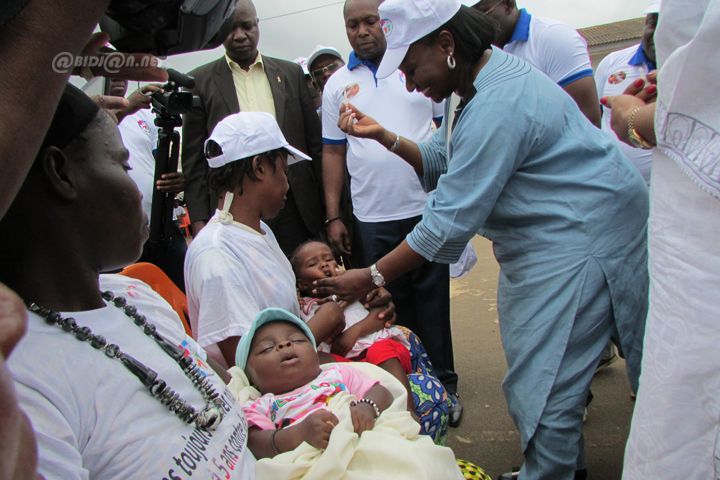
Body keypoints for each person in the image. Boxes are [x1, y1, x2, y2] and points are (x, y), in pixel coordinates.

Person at [313, 1, 649, 479]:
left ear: (446, 44)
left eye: (411, 68)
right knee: (543, 370)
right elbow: (438, 157)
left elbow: (446, 223)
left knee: (544, 379)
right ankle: (557, 465)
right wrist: (386, 136)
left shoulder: (497, 101)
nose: (408, 83)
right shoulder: (465, 87)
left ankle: (554, 472)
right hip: (555, 234)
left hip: (582, 233)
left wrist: (367, 275)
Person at [0, 84, 254, 479]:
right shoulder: (20, 384)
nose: (139, 192)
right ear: (60, 173)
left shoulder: (133, 293)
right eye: (123, 165)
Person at [322, 0, 463, 426]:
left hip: (424, 209)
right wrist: (334, 215)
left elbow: (448, 132)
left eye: (370, 21)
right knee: (388, 308)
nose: (362, 31)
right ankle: (408, 391)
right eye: (352, 25)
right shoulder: (337, 84)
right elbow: (332, 150)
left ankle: (444, 387)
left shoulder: (418, 68)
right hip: (372, 216)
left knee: (432, 305)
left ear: (387, 22)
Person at [601, 0, 720, 477]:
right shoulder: (615, 64)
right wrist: (673, 96)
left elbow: (701, 131)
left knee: (691, 404)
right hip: (670, 221)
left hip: (700, 241)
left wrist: (637, 117)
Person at [184, 111, 347, 370]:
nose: (287, 185)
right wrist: (322, 323)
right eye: (283, 171)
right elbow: (248, 367)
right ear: (259, 168)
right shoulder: (216, 256)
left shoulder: (258, 230)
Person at [233, 307, 465, 479]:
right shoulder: (261, 405)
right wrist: (298, 434)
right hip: (311, 462)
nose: (284, 345)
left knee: (412, 462)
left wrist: (367, 406)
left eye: (296, 340)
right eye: (266, 348)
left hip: (365, 439)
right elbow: (255, 442)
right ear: (251, 376)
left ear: (315, 354)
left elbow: (381, 390)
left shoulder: (336, 375)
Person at [182, 0, 325, 257]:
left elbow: (316, 146)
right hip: (235, 208)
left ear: (258, 25)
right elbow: (194, 160)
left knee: (302, 279)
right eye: (230, 29)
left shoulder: (290, 74)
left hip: (295, 203)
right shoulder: (199, 82)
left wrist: (332, 213)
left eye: (247, 26)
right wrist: (199, 219)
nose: (239, 36)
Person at [292, 240, 420, 415]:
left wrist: (355, 332)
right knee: (323, 362)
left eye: (328, 259)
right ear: (302, 284)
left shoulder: (353, 288)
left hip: (374, 348)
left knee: (381, 350)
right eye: (313, 264)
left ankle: (408, 411)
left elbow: (382, 314)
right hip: (348, 362)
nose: (324, 265)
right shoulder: (304, 307)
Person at [471, 0, 601, 127]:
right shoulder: (482, 54)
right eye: (471, 19)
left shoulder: (554, 37)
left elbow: (588, 120)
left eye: (481, 14)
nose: (475, 26)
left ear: (507, 5)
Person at [114, 80, 189, 290]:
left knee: (182, 291)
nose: (119, 78)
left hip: (160, 224)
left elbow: (165, 160)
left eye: (123, 73)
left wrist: (179, 180)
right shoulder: (87, 112)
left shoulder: (144, 113)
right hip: (113, 234)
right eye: (112, 72)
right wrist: (126, 106)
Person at [594, 1, 660, 184]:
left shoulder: (697, 69)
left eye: (666, 24)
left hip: (678, 193)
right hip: (618, 186)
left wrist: (632, 117)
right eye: (653, 23)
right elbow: (594, 121)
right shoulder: (611, 63)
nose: (656, 33)